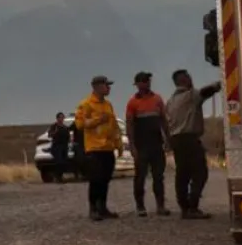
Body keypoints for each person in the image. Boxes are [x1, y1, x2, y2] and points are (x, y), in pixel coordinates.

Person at [164, 69, 221, 220]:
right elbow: (206, 91)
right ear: (184, 80)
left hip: (176, 140)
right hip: (189, 139)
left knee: (182, 174)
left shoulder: (170, 101)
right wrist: (221, 83)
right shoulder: (190, 96)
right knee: (200, 172)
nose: (191, 79)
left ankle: (184, 208)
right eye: (189, 77)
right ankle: (193, 206)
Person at [75, 75, 121, 222]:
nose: (108, 88)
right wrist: (97, 120)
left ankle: (103, 208)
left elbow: (113, 126)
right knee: (96, 179)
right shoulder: (86, 104)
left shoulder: (108, 105)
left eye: (109, 85)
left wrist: (118, 143)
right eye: (106, 85)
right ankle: (93, 209)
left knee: (105, 179)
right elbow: (80, 124)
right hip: (94, 148)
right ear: (95, 87)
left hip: (108, 148)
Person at [125, 71, 171, 217]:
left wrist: (168, 139)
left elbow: (163, 120)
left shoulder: (157, 99)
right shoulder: (133, 102)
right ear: (137, 84)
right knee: (140, 176)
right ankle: (140, 206)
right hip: (141, 145)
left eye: (148, 81)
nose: (147, 83)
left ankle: (160, 206)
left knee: (158, 176)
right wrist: (132, 146)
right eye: (144, 81)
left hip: (156, 144)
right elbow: (130, 125)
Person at [47, 112, 71, 183]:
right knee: (59, 162)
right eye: (61, 117)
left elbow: (68, 137)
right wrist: (55, 132)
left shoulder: (65, 127)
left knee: (64, 162)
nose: (62, 119)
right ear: (57, 118)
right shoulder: (54, 126)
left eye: (63, 117)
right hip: (56, 146)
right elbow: (50, 135)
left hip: (64, 146)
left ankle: (59, 176)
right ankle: (57, 177)